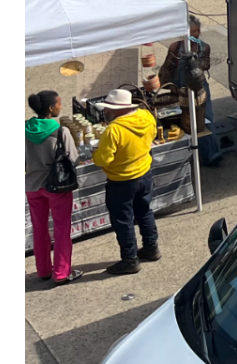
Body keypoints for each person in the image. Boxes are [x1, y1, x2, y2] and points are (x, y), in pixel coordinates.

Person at [93, 89, 159, 275]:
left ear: (115, 110)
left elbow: (103, 159)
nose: (107, 112)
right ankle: (151, 247)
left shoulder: (113, 130)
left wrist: (95, 154)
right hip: (144, 172)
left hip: (121, 180)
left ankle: (130, 259)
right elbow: (152, 136)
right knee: (144, 211)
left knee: (123, 221)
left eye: (109, 109)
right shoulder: (146, 116)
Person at [26, 91, 82, 286]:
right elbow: (73, 158)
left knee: (39, 229)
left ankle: (43, 270)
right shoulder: (61, 131)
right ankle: (61, 272)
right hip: (56, 186)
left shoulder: (24, 129)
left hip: (32, 185)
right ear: (51, 108)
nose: (61, 107)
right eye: (59, 103)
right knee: (61, 229)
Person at [161, 15, 220, 167]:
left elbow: (206, 64)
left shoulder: (204, 47)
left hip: (200, 87)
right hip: (180, 87)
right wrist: (169, 86)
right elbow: (167, 67)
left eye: (197, 31)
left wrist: (196, 64)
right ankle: (184, 157)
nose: (195, 34)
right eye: (191, 31)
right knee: (182, 121)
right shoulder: (176, 47)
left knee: (206, 120)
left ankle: (212, 154)